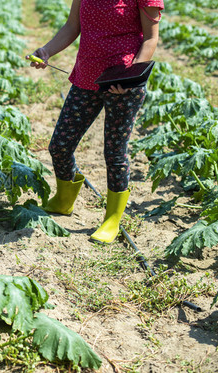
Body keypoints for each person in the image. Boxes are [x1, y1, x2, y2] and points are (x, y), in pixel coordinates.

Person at [27, 0, 164, 243]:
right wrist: (47, 50)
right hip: (86, 77)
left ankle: (112, 218)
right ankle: (64, 199)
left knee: (114, 153)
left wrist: (131, 76)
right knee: (60, 145)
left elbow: (150, 39)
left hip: (121, 84)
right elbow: (72, 26)